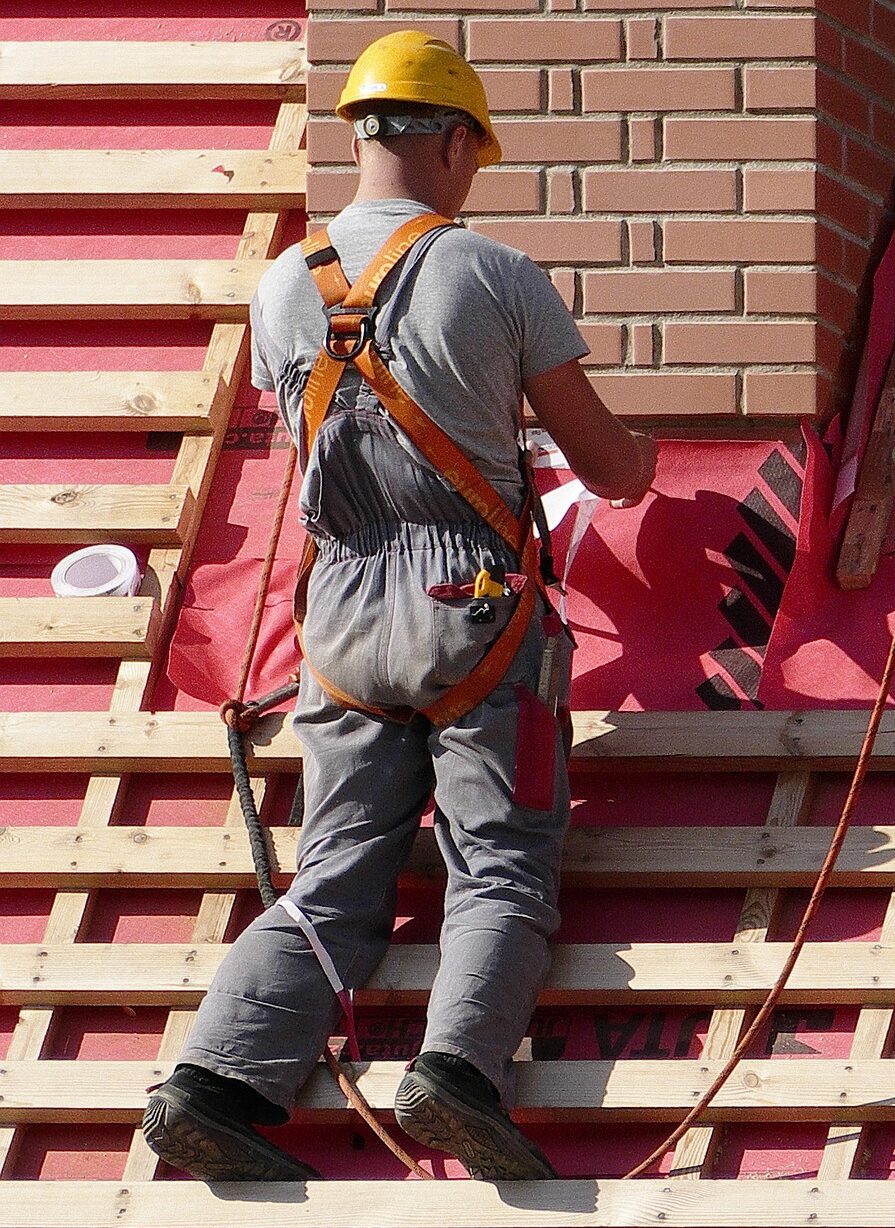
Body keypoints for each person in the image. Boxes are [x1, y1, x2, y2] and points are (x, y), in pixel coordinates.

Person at [142, 30, 656, 1183]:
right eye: (473, 145)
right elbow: (609, 469)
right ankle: (459, 1072)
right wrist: (641, 458)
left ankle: (215, 1080)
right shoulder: (489, 272)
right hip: (468, 601)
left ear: (365, 130)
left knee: (335, 868)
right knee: (504, 859)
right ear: (451, 137)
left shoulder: (286, 284)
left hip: (340, 617)